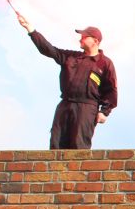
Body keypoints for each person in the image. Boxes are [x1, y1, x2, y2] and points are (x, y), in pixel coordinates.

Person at [16, 13, 117, 150]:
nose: (81, 38)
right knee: (57, 143)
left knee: (79, 146)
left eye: (85, 36)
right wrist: (31, 30)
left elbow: (111, 91)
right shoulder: (70, 57)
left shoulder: (104, 63)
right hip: (65, 104)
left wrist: (104, 111)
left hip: (87, 109)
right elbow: (48, 49)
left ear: (96, 41)